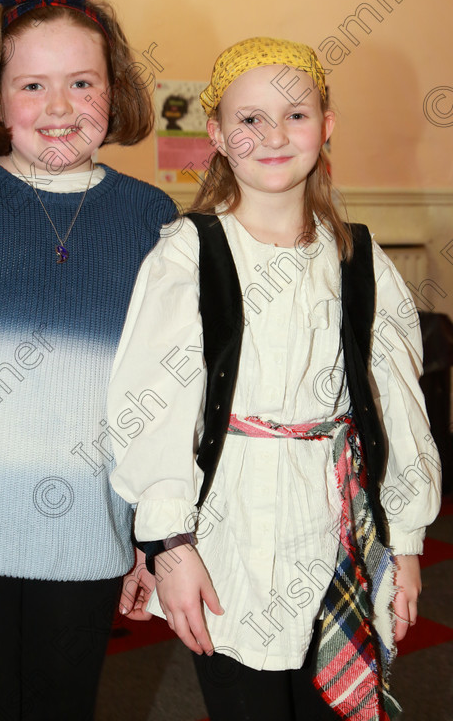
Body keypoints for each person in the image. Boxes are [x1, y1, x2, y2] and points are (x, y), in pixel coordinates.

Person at [108, 37, 442, 720]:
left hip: (337, 530)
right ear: (216, 134)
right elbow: (151, 411)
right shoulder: (187, 256)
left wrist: (404, 544)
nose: (273, 135)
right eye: (249, 118)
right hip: (231, 536)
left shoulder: (358, 261)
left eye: (295, 115)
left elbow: (399, 414)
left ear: (327, 124)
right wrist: (169, 547)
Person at [0, 0, 176, 720]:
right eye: (33, 85)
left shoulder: (150, 216)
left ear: (115, 92)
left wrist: (149, 538)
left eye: (82, 82)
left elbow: (159, 395)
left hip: (87, 536)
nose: (59, 107)